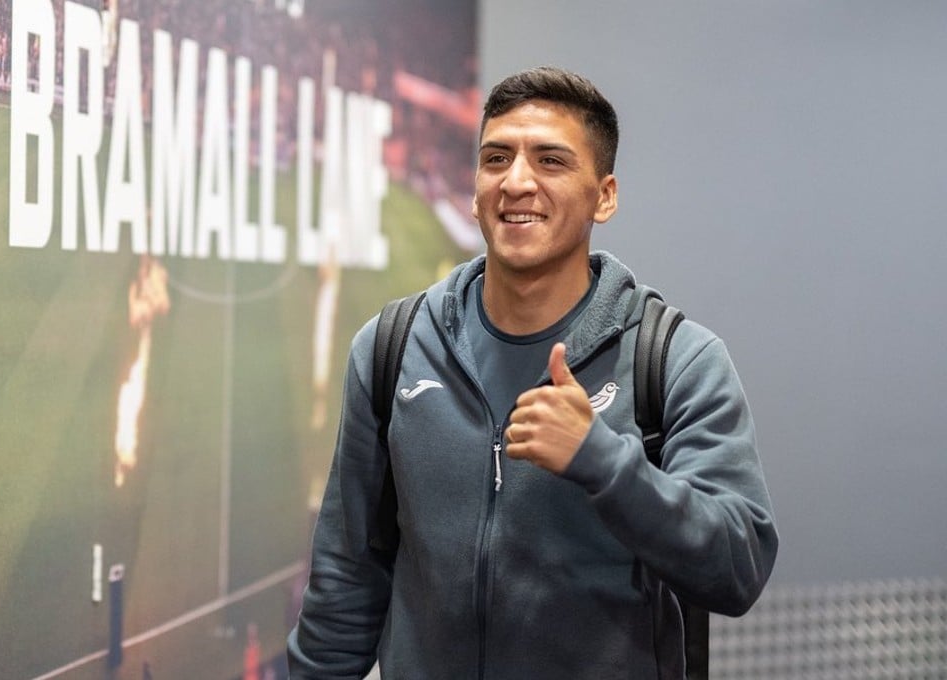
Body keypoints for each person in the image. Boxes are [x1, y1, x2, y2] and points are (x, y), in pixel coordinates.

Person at [287, 65, 778, 679]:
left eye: (550, 161)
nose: (517, 181)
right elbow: (345, 580)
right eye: (496, 159)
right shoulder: (393, 346)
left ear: (605, 196)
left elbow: (737, 570)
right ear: (475, 190)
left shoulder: (676, 360)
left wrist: (604, 461)